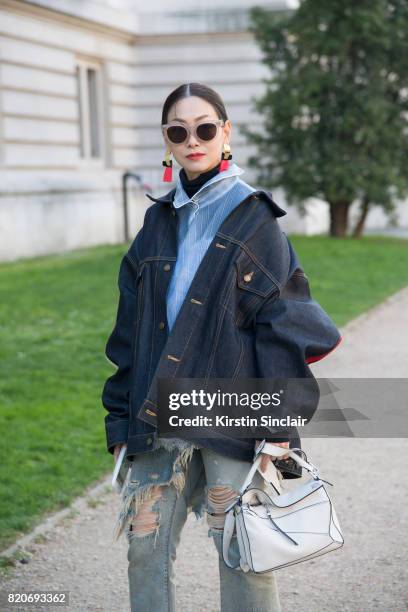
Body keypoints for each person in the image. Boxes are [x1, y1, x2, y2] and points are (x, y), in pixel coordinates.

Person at [102, 82, 342, 612]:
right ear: (166, 140)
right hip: (156, 409)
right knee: (144, 548)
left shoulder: (255, 220)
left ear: (225, 132)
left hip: (232, 412)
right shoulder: (156, 222)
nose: (193, 140)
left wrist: (278, 427)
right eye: (179, 131)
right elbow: (129, 332)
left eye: (205, 128)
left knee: (243, 552)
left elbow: (283, 326)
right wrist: (119, 421)